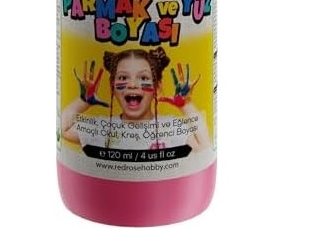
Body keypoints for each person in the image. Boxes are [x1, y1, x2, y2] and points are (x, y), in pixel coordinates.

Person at [61, 47, 211, 151]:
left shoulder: (170, 127)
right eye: (123, 78)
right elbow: (62, 129)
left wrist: (186, 105)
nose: (132, 84)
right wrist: (82, 101)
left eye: (143, 78)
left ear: (157, 87)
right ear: (112, 87)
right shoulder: (102, 128)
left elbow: (204, 147)